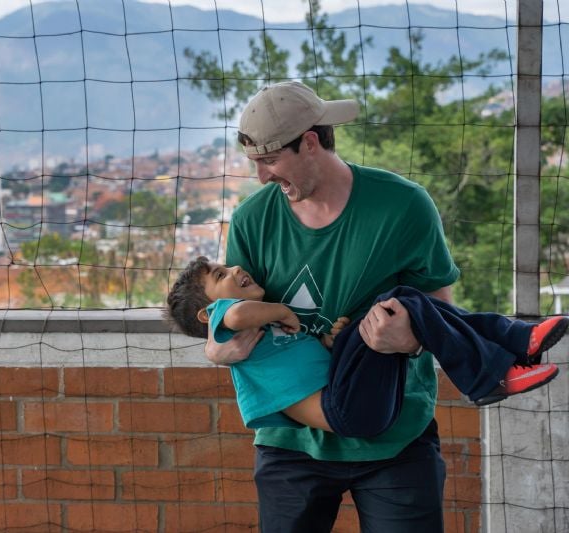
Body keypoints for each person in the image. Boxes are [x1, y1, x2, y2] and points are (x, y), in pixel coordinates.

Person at [203, 80, 561, 532]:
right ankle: (507, 349)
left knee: (405, 303)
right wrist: (216, 349)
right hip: (291, 443)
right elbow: (231, 316)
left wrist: (409, 341)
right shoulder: (253, 219)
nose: (261, 178)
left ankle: (507, 354)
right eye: (255, 163)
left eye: (271, 161)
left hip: (395, 434)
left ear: (310, 143)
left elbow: (439, 310)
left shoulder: (404, 204)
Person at [165, 257, 564, 437]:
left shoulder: (265, 337)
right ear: (208, 314)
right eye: (221, 273)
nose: (234, 268)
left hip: (357, 398)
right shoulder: (229, 322)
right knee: (397, 301)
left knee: (399, 300)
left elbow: (305, 367)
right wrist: (283, 308)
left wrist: (334, 341)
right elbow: (235, 316)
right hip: (347, 412)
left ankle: (515, 340)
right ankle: (489, 374)